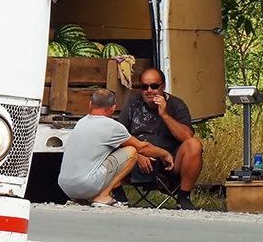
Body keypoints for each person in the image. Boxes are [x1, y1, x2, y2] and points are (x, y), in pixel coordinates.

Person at [58, 88, 177, 207]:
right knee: (131, 151)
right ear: (113, 108)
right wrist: (164, 154)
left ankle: (79, 199)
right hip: (87, 185)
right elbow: (141, 147)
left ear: (90, 104)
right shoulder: (112, 127)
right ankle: (103, 195)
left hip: (65, 186)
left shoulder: (81, 122)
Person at [118, 69, 204, 210]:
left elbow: (187, 137)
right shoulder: (133, 102)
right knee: (106, 141)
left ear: (163, 86)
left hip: (169, 162)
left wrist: (164, 115)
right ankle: (114, 195)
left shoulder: (177, 104)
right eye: (144, 87)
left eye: (154, 86)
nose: (149, 91)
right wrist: (136, 155)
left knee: (194, 144)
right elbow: (119, 134)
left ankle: (184, 197)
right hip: (138, 158)